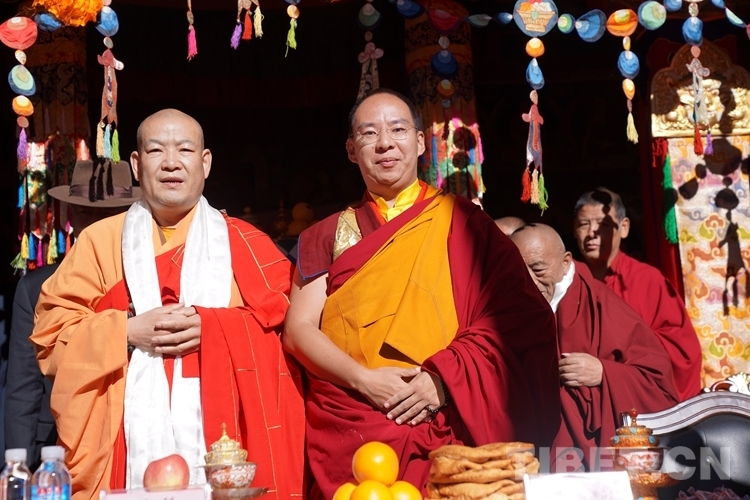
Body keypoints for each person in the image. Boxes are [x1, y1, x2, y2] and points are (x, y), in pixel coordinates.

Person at [282, 88, 560, 497]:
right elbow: (298, 330)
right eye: (368, 133)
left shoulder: (465, 224)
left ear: (419, 142)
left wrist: (444, 378)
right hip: (355, 423)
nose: (384, 143)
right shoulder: (325, 235)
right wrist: (364, 381)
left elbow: (520, 318)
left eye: (397, 130)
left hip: (447, 416)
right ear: (351, 150)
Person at [31, 109, 305, 500]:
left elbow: (294, 334)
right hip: (121, 448)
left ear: (205, 162)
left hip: (228, 444)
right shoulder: (98, 243)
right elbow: (52, 337)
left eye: (185, 150)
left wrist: (215, 329)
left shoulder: (249, 246)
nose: (171, 163)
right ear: (136, 164)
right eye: (157, 150)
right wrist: (125, 332)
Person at [510, 223, 679, 471]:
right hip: (530, 449)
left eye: (538, 269)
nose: (528, 281)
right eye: (517, 270)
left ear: (565, 263)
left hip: (590, 453)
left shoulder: (600, 303)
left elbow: (657, 382)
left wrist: (604, 372)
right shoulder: (507, 308)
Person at [5, 160, 137, 471]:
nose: (95, 224)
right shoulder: (37, 288)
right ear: (71, 217)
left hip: (135, 436)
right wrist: (20, 469)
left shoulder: (152, 281)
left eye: (107, 215)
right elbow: (24, 389)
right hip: (59, 448)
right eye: (84, 213)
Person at [573, 187, 702, 401]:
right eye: (584, 224)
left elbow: (683, 353)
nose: (592, 232)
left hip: (638, 396)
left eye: (603, 224)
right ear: (574, 229)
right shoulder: (569, 281)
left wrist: (616, 358)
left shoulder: (648, 280)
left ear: (624, 228)